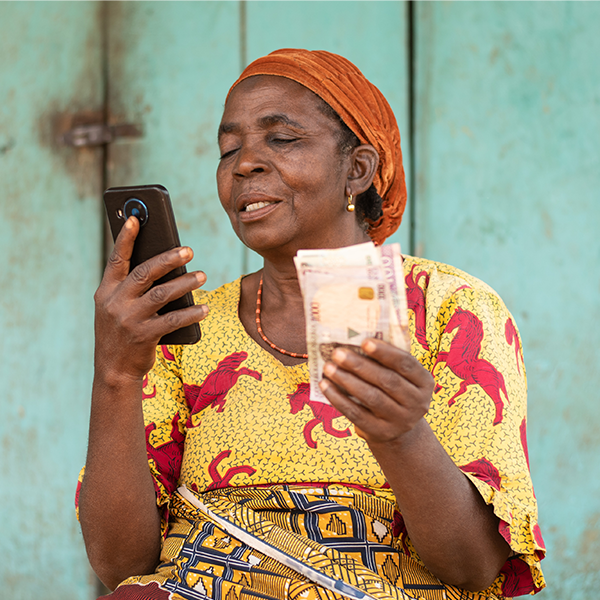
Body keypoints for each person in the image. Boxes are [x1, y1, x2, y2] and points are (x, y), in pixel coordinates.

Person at [76, 49, 546, 600]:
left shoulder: (450, 308)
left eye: (282, 139)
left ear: (358, 169)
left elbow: (473, 569)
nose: (244, 163)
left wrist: (399, 435)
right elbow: (119, 565)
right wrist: (116, 372)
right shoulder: (183, 327)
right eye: (229, 149)